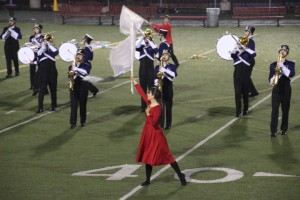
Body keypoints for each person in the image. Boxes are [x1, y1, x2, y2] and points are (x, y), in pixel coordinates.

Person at [130, 76, 186, 186]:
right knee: (147, 156)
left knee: (168, 157)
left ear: (153, 96)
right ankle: (147, 180)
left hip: (156, 136)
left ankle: (180, 175)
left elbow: (154, 122)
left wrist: (147, 113)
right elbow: (141, 93)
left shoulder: (157, 108)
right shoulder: (150, 103)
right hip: (148, 134)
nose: (147, 94)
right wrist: (135, 82)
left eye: (149, 93)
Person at [269, 45, 295, 137]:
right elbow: (270, 81)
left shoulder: (291, 64)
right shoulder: (273, 65)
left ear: (287, 53)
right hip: (276, 89)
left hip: (286, 90)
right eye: (281, 50)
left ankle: (284, 129)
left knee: (285, 110)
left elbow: (291, 74)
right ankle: (273, 131)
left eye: (284, 51)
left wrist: (282, 67)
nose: (282, 52)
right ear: (279, 52)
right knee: (274, 110)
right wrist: (276, 74)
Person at [230, 37, 256, 117]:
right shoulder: (236, 54)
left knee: (245, 93)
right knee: (237, 93)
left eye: (241, 43)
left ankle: (245, 109)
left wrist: (245, 48)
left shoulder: (247, 54)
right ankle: (238, 112)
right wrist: (236, 45)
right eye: (238, 43)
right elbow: (232, 54)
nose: (239, 45)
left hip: (246, 75)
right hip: (237, 75)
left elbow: (254, 54)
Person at [135, 29, 158, 112]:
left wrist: (149, 39)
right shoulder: (141, 48)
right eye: (145, 39)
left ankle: (152, 105)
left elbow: (156, 50)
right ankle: (143, 106)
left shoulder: (152, 48)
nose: (146, 40)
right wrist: (142, 37)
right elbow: (136, 46)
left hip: (150, 71)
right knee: (143, 89)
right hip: (142, 71)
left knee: (151, 89)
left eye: (148, 38)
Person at [154, 50, 177, 130]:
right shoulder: (157, 67)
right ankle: (161, 125)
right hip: (160, 90)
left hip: (168, 89)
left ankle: (168, 124)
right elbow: (155, 79)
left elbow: (173, 75)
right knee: (160, 108)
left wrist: (164, 70)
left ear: (169, 58)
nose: (164, 56)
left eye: (166, 55)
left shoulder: (172, 66)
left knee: (168, 107)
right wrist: (158, 81)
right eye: (163, 54)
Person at [36, 34, 58, 113]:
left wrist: (49, 44)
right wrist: (43, 46)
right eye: (46, 40)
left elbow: (56, 52)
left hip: (52, 72)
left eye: (49, 40)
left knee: (53, 90)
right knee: (41, 90)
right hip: (43, 72)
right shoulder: (41, 50)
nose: (47, 41)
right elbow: (38, 54)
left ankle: (54, 106)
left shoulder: (52, 50)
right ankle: (40, 108)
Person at [69, 49, 91, 129]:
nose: (78, 56)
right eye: (77, 54)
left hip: (83, 88)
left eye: (80, 55)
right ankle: (72, 123)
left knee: (82, 105)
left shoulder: (87, 65)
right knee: (73, 106)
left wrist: (76, 69)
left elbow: (85, 73)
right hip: (74, 88)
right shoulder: (71, 66)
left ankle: (82, 121)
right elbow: (70, 78)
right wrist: (73, 72)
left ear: (83, 57)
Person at [29, 23, 44, 95]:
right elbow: (30, 45)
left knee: (39, 73)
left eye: (37, 28)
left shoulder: (42, 37)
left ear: (40, 30)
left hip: (39, 56)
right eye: (34, 28)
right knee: (32, 71)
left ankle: (38, 88)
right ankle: (33, 86)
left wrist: (36, 41)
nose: (35, 29)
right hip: (32, 55)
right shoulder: (31, 37)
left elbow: (42, 47)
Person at [244, 25, 259, 98]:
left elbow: (252, 53)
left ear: (250, 33)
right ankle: (247, 91)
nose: (245, 32)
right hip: (246, 61)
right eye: (245, 30)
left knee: (246, 77)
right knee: (245, 77)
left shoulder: (251, 41)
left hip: (249, 61)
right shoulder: (246, 39)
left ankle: (253, 92)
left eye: (246, 31)